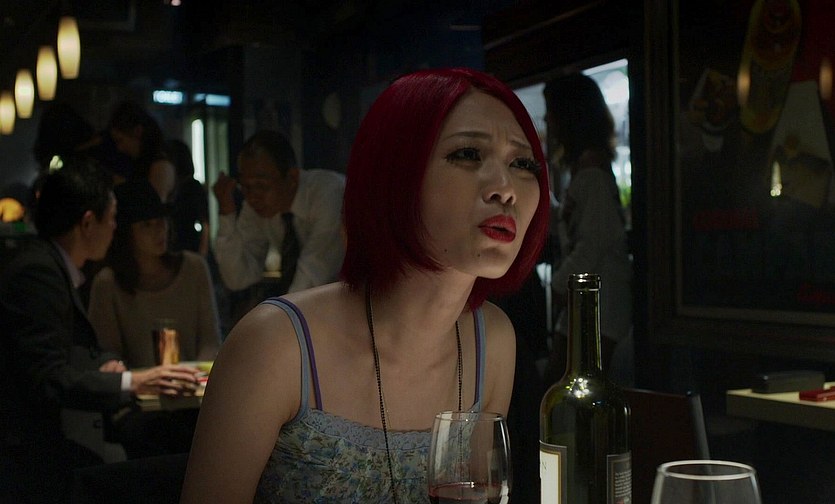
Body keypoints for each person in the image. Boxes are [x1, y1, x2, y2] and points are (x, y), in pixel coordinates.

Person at [180, 67, 550, 503]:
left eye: (522, 163)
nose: (505, 189)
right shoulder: (275, 344)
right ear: (394, 173)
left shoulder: (493, 341)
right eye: (468, 154)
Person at [0, 157, 202, 503]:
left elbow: (69, 348)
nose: (115, 228)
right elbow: (46, 378)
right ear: (88, 222)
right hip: (24, 451)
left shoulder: (49, 265)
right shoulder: (38, 273)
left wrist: (104, 364)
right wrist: (134, 381)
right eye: (112, 218)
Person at [543, 72, 633, 384]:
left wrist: (559, 285)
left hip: (600, 305)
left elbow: (594, 241)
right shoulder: (589, 169)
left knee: (567, 385)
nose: (547, 120)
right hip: (592, 303)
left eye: (551, 111)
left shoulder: (591, 175)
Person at [212, 129, 346, 301]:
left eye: (261, 185)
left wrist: (281, 314)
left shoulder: (328, 194)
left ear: (292, 178)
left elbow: (315, 273)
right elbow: (238, 277)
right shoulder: (256, 205)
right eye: (245, 186)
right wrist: (226, 213)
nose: (252, 196)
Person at [108, 100, 177, 203]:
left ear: (138, 131)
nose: (119, 148)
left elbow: (155, 205)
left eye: (120, 140)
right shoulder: (144, 161)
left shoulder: (160, 164)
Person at [166, 139, 210, 256]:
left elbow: (205, 222)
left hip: (190, 246)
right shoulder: (170, 187)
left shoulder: (192, 187)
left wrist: (202, 254)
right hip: (177, 246)